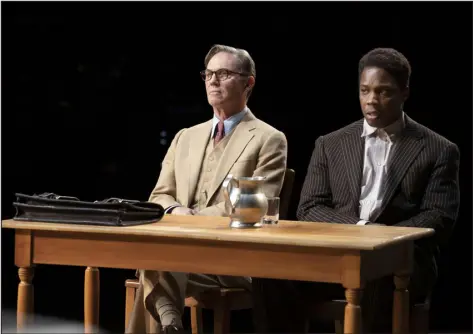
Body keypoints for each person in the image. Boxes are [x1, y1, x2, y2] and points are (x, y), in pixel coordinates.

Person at [252, 47, 460, 333]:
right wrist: (361, 229)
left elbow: (439, 217)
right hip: (335, 255)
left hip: (401, 263)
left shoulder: (439, 149)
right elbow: (310, 207)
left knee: (371, 275)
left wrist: (384, 241)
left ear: (405, 93)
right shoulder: (331, 144)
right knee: (270, 272)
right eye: (365, 91)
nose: (372, 100)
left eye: (384, 92)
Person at [126, 44, 288, 334]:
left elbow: (251, 207)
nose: (213, 80)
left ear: (248, 82)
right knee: (159, 258)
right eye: (209, 74)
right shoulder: (185, 137)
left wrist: (190, 220)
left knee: (153, 262)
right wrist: (177, 210)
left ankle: (169, 321)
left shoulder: (269, 139)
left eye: (224, 73)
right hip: (182, 253)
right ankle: (171, 322)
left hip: (231, 258)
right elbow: (159, 196)